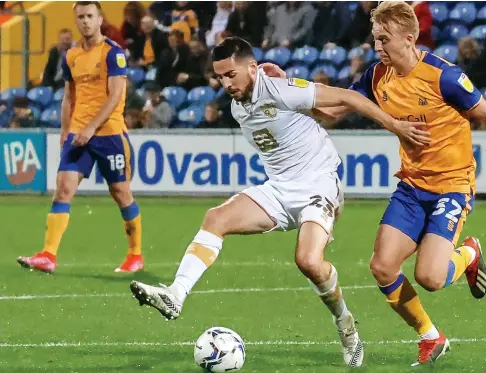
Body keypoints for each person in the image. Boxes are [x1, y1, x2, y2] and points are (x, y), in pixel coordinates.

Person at [261, 1, 486, 366]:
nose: (377, 47)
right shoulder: (378, 76)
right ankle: (431, 336)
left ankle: (469, 254)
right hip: (411, 187)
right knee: (382, 267)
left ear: (409, 39)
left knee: (430, 276)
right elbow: (330, 112)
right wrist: (286, 86)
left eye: (384, 38)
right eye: (374, 38)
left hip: (452, 186)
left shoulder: (444, 77)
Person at [129, 36, 429, 368]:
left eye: (231, 75)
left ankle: (346, 327)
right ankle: (175, 295)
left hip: (319, 183)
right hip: (280, 188)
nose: (226, 83)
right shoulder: (238, 104)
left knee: (308, 262)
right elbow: (316, 116)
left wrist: (396, 126)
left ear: (252, 68)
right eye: (220, 77)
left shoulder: (280, 89)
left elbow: (345, 97)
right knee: (215, 219)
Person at [17, 1, 144, 274]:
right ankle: (48, 255)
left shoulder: (113, 53)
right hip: (77, 134)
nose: (85, 21)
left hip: (109, 134)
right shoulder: (71, 55)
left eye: (90, 16)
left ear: (100, 19)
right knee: (63, 189)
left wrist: (91, 128)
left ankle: (135, 255)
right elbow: (68, 96)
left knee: (121, 193)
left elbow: (115, 96)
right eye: (81, 17)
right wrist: (66, 129)